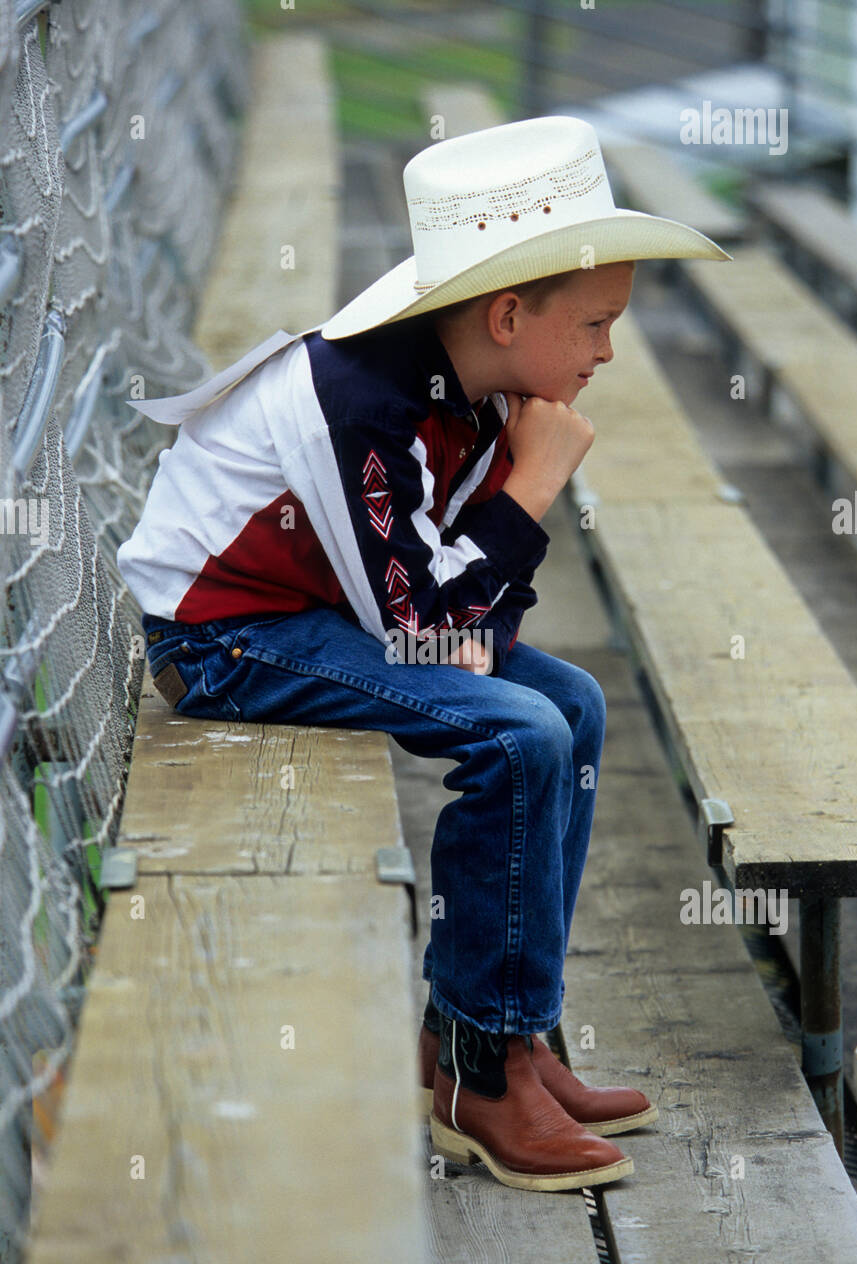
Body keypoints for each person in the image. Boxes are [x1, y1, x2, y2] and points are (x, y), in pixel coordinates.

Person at [118, 115, 731, 1193]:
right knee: (520, 730)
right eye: (595, 323)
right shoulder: (367, 401)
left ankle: (512, 1035)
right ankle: (478, 1075)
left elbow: (474, 622)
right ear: (506, 314)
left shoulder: (487, 386)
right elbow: (427, 634)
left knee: (574, 706)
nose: (606, 352)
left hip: (332, 611)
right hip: (225, 634)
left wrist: (513, 492)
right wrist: (532, 490)